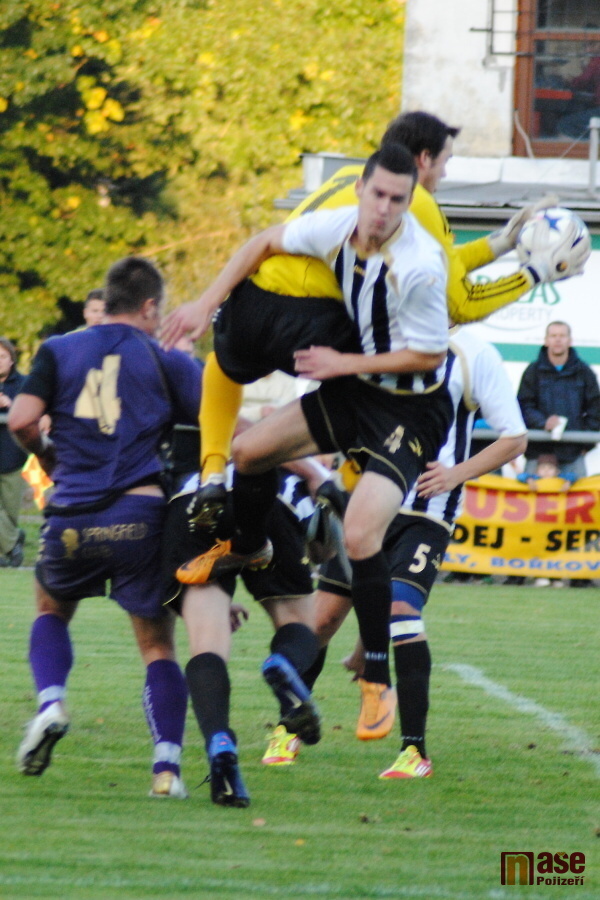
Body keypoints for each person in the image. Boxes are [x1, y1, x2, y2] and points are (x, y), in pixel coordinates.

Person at [159, 111, 572, 526]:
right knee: (390, 376)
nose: (445, 173)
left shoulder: (354, 179)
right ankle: (346, 481)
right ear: (423, 159)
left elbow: (441, 267)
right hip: (315, 317)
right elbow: (460, 303)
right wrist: (534, 274)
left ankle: (213, 472)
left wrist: (501, 243)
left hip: (255, 298)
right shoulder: (414, 201)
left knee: (222, 365)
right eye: (445, 161)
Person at [173, 143, 454, 743]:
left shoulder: (422, 264)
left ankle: (376, 680)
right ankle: (248, 546)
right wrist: (205, 302)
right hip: (355, 388)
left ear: (410, 203)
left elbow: (429, 356)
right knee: (249, 454)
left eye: (398, 200)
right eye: (377, 194)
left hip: (410, 409)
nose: (384, 209)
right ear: (360, 190)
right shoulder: (339, 225)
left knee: (360, 534)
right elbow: (262, 243)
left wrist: (340, 362)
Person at [8, 256, 202, 798]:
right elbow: (223, 422)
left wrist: (49, 456)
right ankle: (166, 770)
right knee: (157, 646)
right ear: (149, 306)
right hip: (139, 516)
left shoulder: (58, 349)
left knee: (51, 608)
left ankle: (51, 703)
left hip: (73, 517)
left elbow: (21, 420)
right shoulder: (167, 357)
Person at [300, 325, 527, 776]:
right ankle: (289, 728)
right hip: (365, 505)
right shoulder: (375, 336)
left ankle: (414, 752)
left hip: (427, 512)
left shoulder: (474, 352)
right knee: (320, 622)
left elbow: (515, 438)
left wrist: (455, 473)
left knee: (402, 610)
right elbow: (325, 410)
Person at [162, 427, 322, 803]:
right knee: (298, 622)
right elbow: (324, 548)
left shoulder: (227, 441)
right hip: (273, 504)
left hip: (196, 500)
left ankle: (220, 742)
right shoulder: (314, 468)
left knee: (207, 643)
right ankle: (283, 663)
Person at [517, 321, 600, 481]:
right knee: (533, 498)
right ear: (546, 340)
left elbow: (596, 409)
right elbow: (523, 406)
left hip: (573, 455)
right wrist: (543, 422)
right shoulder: (532, 371)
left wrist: (585, 445)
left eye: (562, 336)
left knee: (579, 498)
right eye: (553, 335)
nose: (558, 340)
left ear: (570, 340)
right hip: (537, 454)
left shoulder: (584, 372)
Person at [0, 338, 28, 567]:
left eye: (2, 357)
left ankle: (9, 546)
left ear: (11, 360)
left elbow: (33, 414)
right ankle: (12, 547)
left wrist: (11, 405)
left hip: (14, 458)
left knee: (9, 514)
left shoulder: (25, 384)